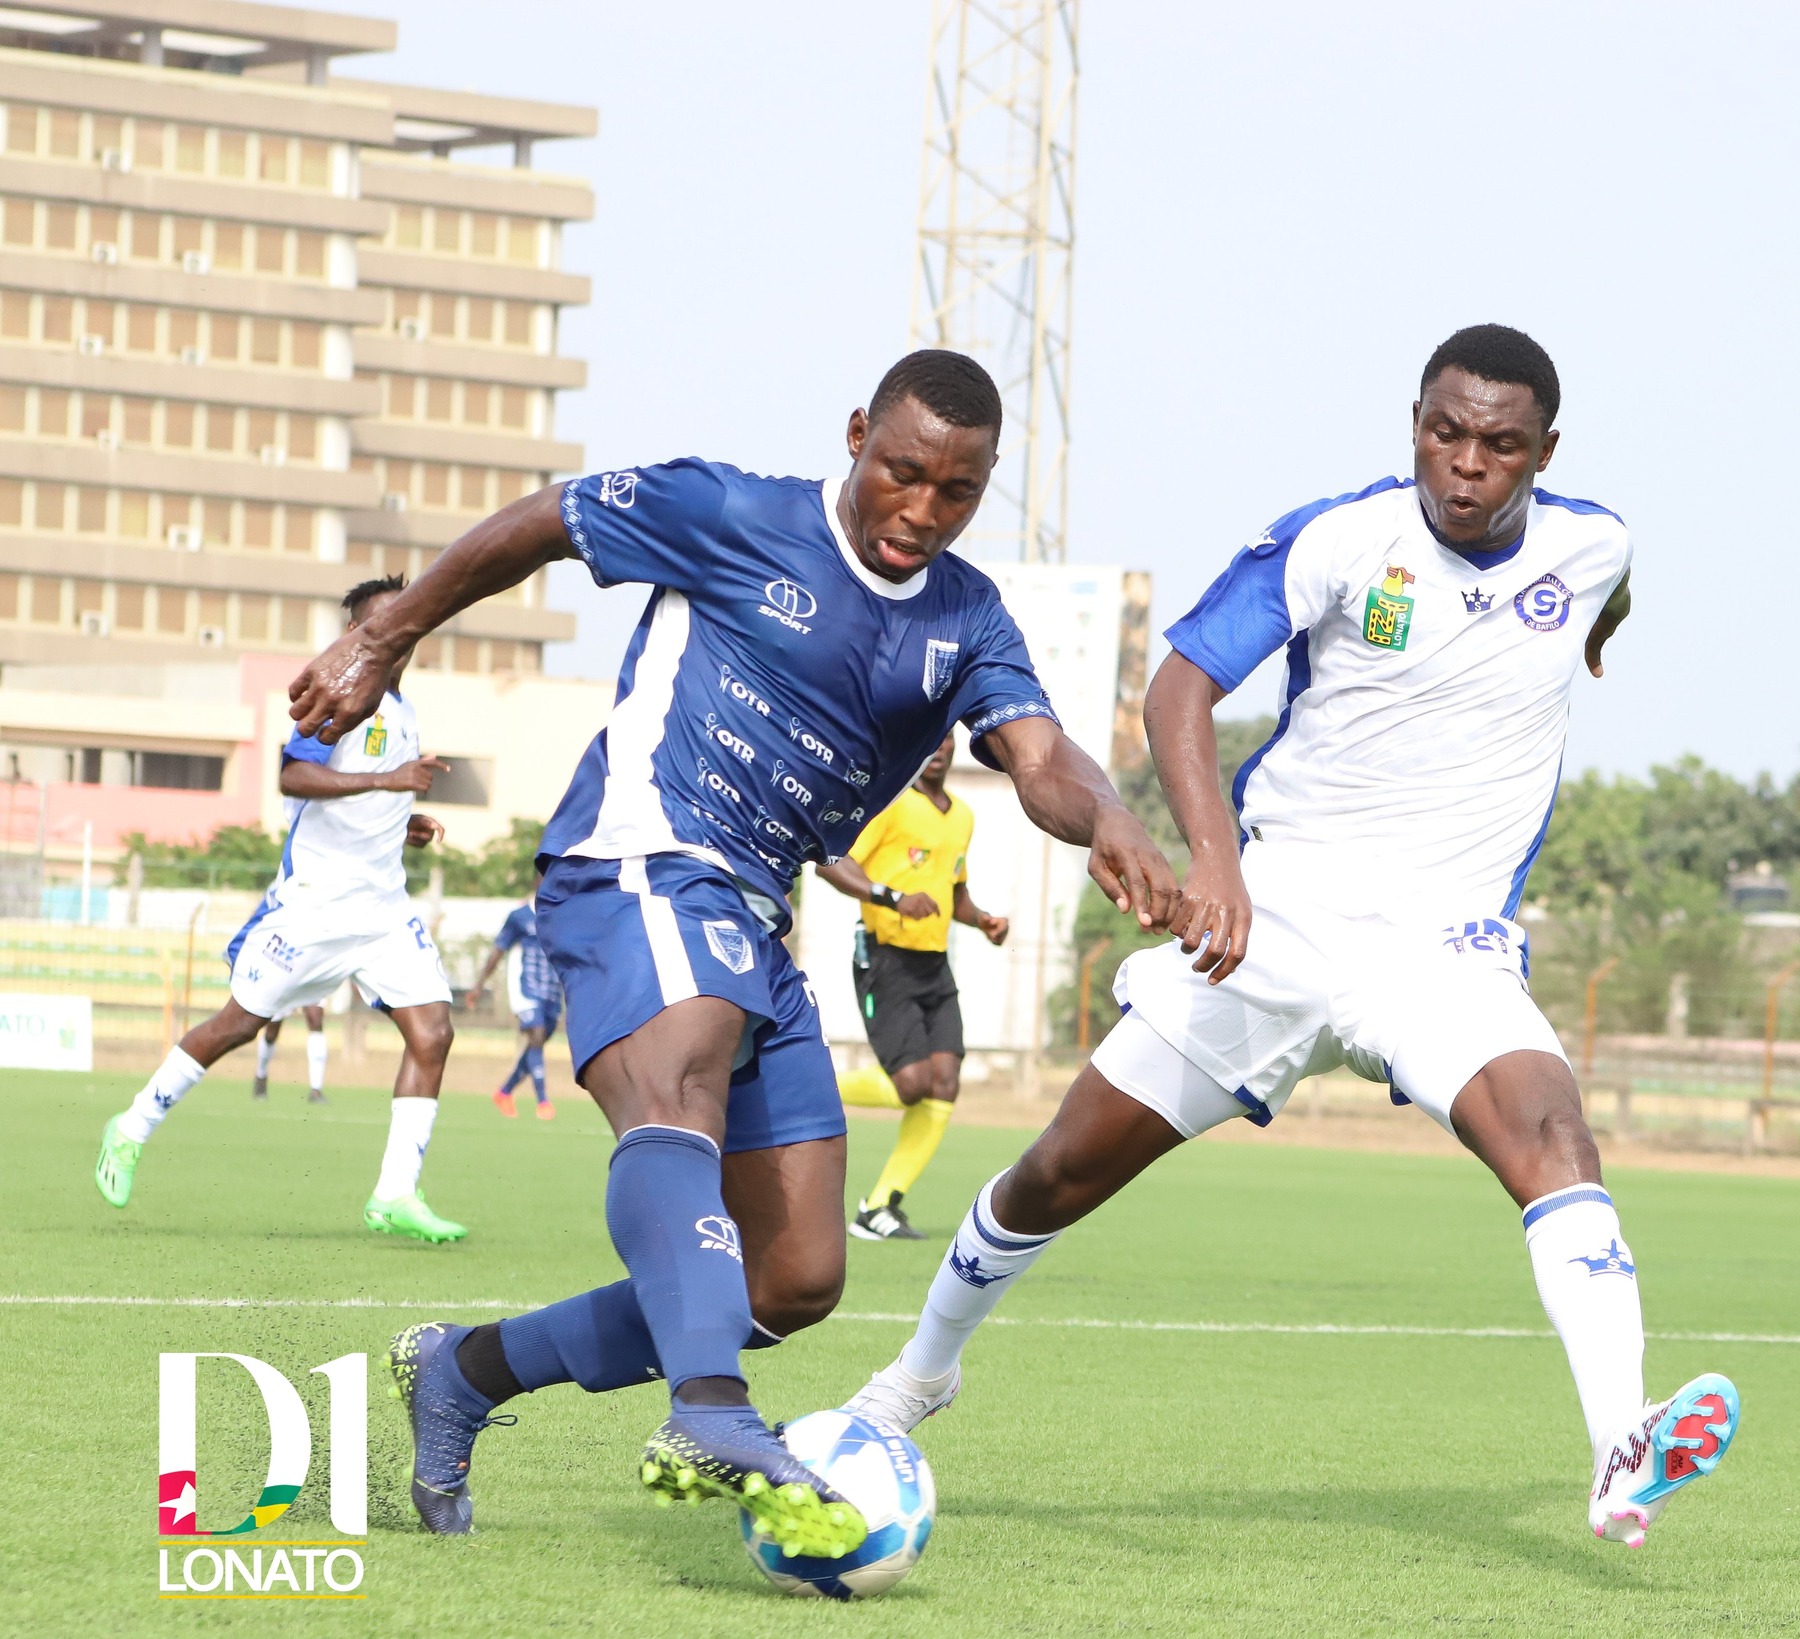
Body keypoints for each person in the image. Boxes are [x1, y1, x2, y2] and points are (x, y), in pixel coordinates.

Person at [843, 326, 1742, 1551]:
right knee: (1058, 1171)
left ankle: (1618, 1444)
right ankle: (917, 1374)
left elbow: (1606, 597)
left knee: (1553, 1136)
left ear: (1543, 453)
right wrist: (1215, 865)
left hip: (1441, 946)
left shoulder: (1595, 547)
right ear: (1414, 422)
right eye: (1442, 432)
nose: (1463, 462)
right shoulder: (1338, 540)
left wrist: (1589, 640)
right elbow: (1178, 687)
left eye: (1497, 445)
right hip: (1276, 921)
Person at [283, 350, 1178, 1555]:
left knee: (792, 1275)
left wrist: (1109, 814)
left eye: (955, 491)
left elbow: (1038, 753)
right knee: (681, 1083)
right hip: (638, 855)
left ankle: (464, 1370)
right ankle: (707, 1408)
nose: (921, 509)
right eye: (901, 472)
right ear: (855, 434)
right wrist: (386, 634)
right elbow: (549, 519)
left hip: (753, 917)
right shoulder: (732, 512)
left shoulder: (966, 616)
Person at [94, 576, 467, 1246]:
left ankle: (395, 1193)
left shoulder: (403, 708)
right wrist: (386, 781)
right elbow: (292, 775)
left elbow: (363, 799)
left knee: (433, 1033)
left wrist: (397, 820)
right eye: (383, 620)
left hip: (382, 910)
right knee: (237, 1025)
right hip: (314, 908)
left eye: (407, 617)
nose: (399, 629)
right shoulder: (339, 695)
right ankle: (130, 1127)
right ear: (357, 633)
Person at [816, 729, 1009, 1240]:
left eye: (947, 740)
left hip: (934, 964)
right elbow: (832, 861)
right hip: (884, 959)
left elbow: (955, 893)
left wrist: (983, 920)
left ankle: (879, 1207)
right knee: (912, 1086)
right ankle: (805, 1085)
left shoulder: (962, 816)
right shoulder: (889, 804)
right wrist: (891, 897)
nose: (939, 748)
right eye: (932, 740)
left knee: (944, 1082)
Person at [467, 877, 562, 1121]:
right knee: (536, 1035)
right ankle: (543, 1101)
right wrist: (478, 985)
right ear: (537, 881)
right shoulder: (519, 916)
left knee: (536, 1045)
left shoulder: (562, 914)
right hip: (525, 988)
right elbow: (498, 950)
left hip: (552, 992)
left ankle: (505, 1092)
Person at [252, 1004, 329, 1105]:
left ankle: (316, 1089)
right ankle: (261, 1075)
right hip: (283, 993)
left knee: (316, 1022)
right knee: (271, 1033)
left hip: (308, 993)